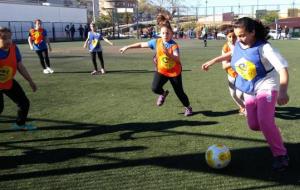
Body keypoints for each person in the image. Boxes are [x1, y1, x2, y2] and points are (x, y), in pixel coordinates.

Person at [202, 17, 290, 171]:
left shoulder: (265, 48)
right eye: (237, 36)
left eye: (242, 35)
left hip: (267, 84)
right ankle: (272, 130)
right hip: (249, 86)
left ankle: (281, 155)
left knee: (264, 121)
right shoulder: (239, 43)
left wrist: (283, 91)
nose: (240, 39)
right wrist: (213, 61)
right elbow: (231, 54)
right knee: (254, 125)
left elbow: (282, 69)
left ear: (253, 32)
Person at [119, 14, 193, 116]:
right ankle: (163, 93)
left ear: (171, 34)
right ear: (160, 33)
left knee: (179, 92)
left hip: (174, 72)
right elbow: (141, 44)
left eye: (167, 33)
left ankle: (188, 107)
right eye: (163, 33)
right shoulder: (156, 42)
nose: (165, 35)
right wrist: (127, 46)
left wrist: (168, 53)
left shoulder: (174, 45)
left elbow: (177, 58)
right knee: (155, 88)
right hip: (162, 71)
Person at [201, 28, 245, 115]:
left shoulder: (241, 45)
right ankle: (243, 107)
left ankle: (251, 107)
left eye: (234, 37)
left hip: (242, 74)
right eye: (229, 37)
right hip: (231, 74)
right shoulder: (225, 48)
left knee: (242, 93)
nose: (232, 39)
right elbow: (224, 65)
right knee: (233, 94)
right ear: (226, 37)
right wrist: (236, 62)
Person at [0, 27, 37, 130]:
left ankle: (19, 124)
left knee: (24, 103)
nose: (8, 41)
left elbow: (20, 66)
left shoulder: (14, 48)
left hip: (8, 82)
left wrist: (30, 81)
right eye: (4, 38)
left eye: (10, 38)